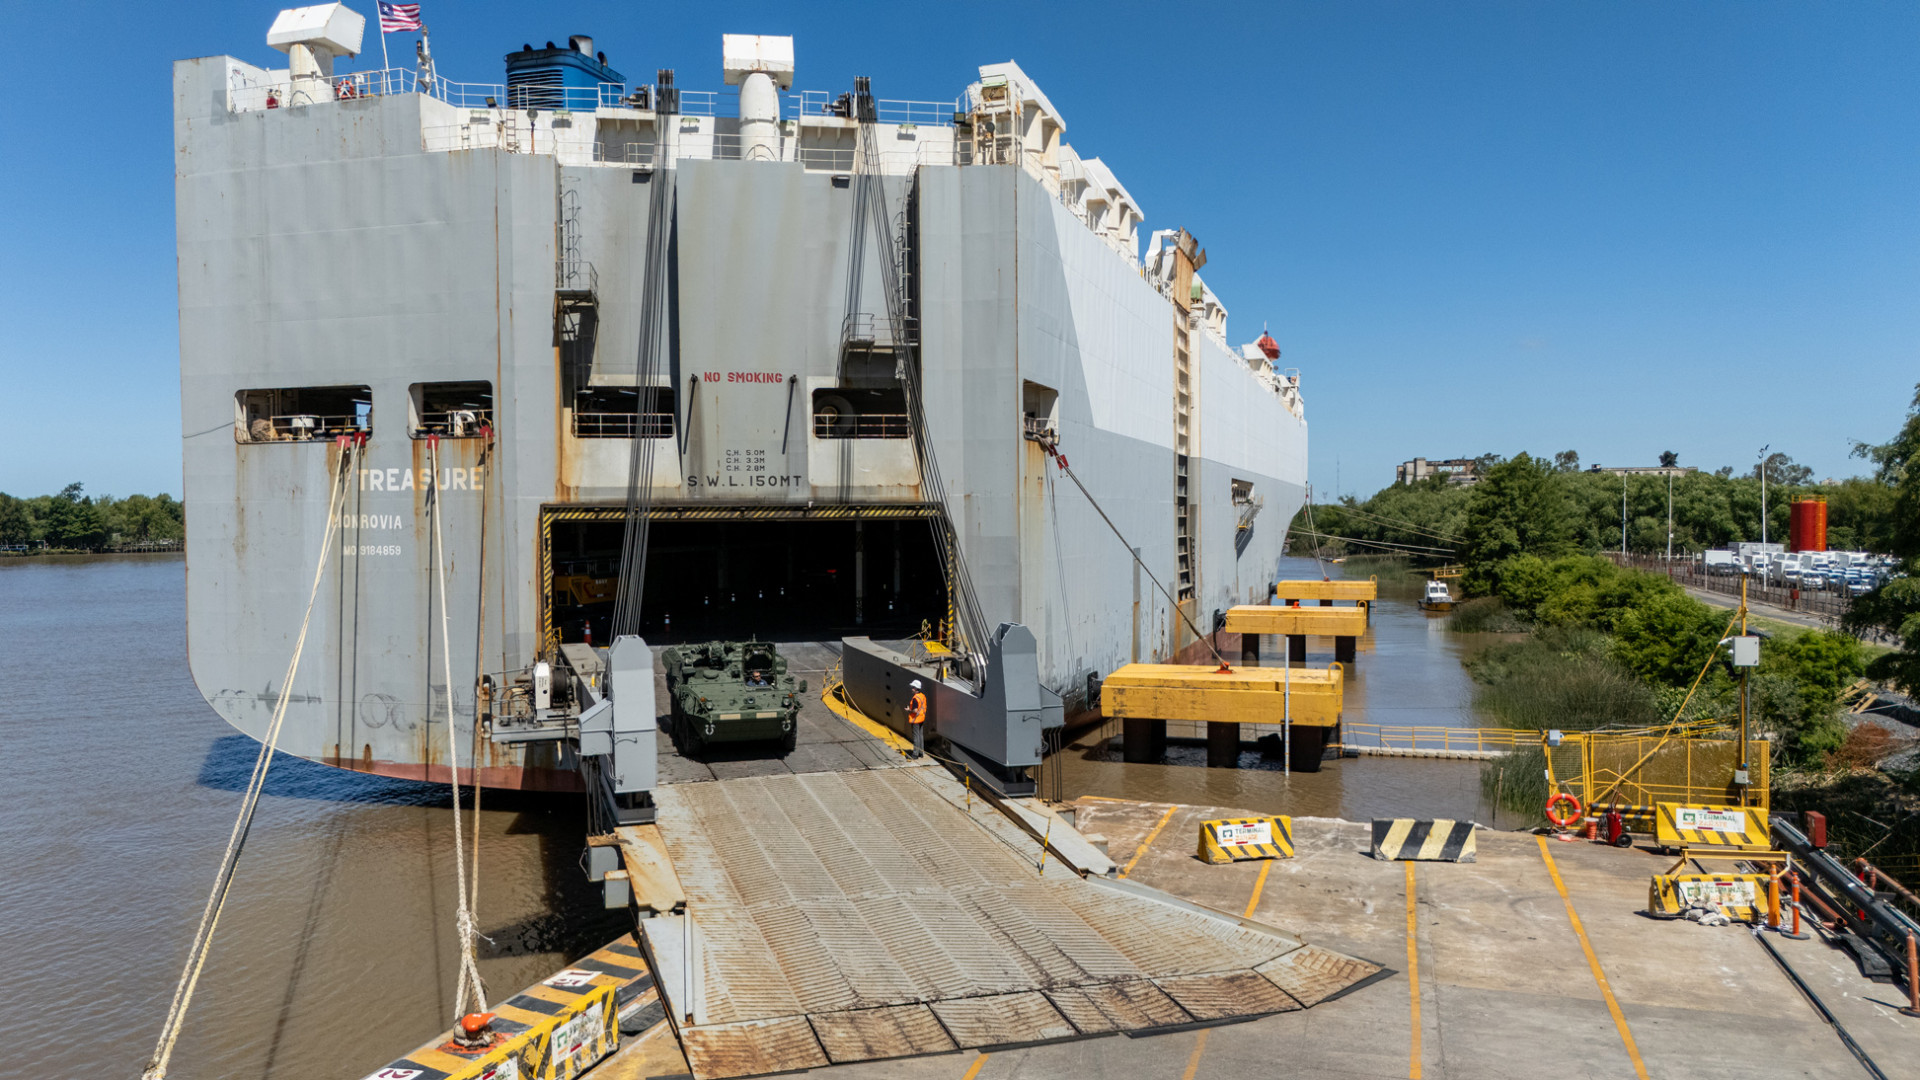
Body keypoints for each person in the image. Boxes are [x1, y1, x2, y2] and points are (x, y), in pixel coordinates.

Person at [905, 679, 927, 758]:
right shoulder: (922, 696)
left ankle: (915, 754)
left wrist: (908, 710)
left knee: (916, 737)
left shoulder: (915, 698)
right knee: (920, 736)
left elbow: (915, 710)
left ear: (915, 688)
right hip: (921, 718)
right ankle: (921, 753)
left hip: (916, 719)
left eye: (913, 687)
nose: (911, 689)